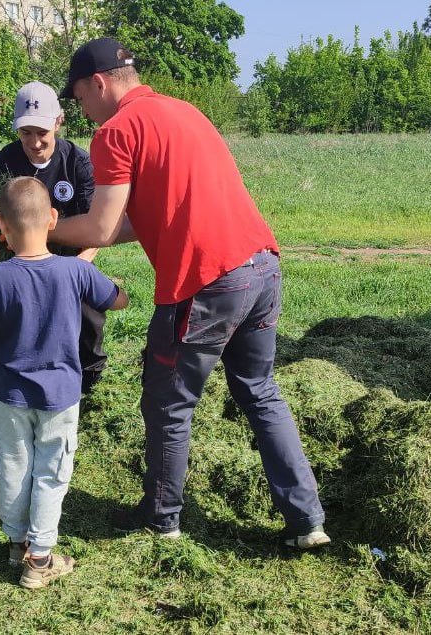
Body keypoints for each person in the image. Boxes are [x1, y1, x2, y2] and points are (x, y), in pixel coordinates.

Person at [50, 38, 330, 549]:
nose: (83, 112)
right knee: (259, 389)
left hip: (208, 281)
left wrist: (46, 230)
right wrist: (80, 229)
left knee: (168, 401)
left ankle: (162, 517)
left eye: (80, 99)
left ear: (99, 83)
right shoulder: (184, 112)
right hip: (261, 268)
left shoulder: (115, 132)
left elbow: (98, 226)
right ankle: (307, 520)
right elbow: (138, 220)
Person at [0, 177, 129, 588]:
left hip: (9, 396)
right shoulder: (75, 271)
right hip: (60, 396)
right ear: (53, 218)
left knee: (12, 465)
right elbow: (119, 300)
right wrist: (101, 283)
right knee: (52, 470)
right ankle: (39, 559)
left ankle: (16, 542)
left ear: (1, 227)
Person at [0, 81, 107, 395]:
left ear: (58, 122)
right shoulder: (1, 164)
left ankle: (89, 382)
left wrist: (76, 270)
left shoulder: (78, 164)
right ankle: (19, 378)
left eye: (42, 132)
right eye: (26, 133)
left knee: (87, 316)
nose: (35, 143)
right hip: (19, 260)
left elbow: (96, 226)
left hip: (71, 260)